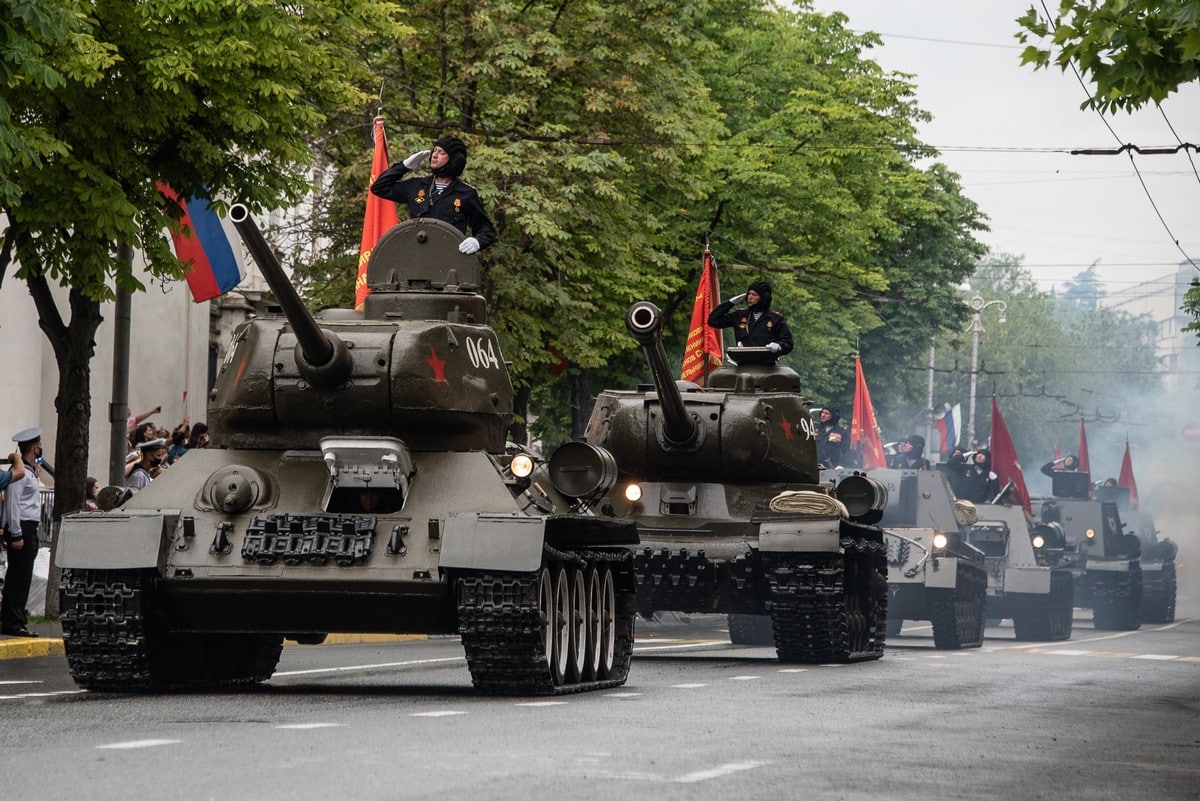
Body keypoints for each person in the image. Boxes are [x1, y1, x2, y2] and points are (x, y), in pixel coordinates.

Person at [370, 135, 497, 254]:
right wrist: (403, 166)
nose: (435, 155)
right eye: (434, 151)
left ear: (454, 160)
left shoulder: (466, 194)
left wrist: (477, 241)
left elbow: (486, 229)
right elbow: (379, 187)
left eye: (441, 152)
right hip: (416, 257)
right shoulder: (417, 186)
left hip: (449, 260)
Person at [2, 427, 43, 637]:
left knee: (22, 576)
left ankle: (16, 617)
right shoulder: (19, 474)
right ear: (35, 448)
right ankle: (13, 621)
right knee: (18, 576)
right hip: (22, 528)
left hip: (27, 528)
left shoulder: (29, 472)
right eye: (40, 446)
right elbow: (13, 505)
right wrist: (16, 534)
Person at [707, 281, 794, 355]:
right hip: (742, 363)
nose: (750, 297)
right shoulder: (740, 315)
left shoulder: (776, 319)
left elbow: (788, 343)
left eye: (754, 295)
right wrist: (730, 303)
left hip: (767, 364)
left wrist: (779, 346)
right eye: (749, 294)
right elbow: (713, 320)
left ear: (764, 298)